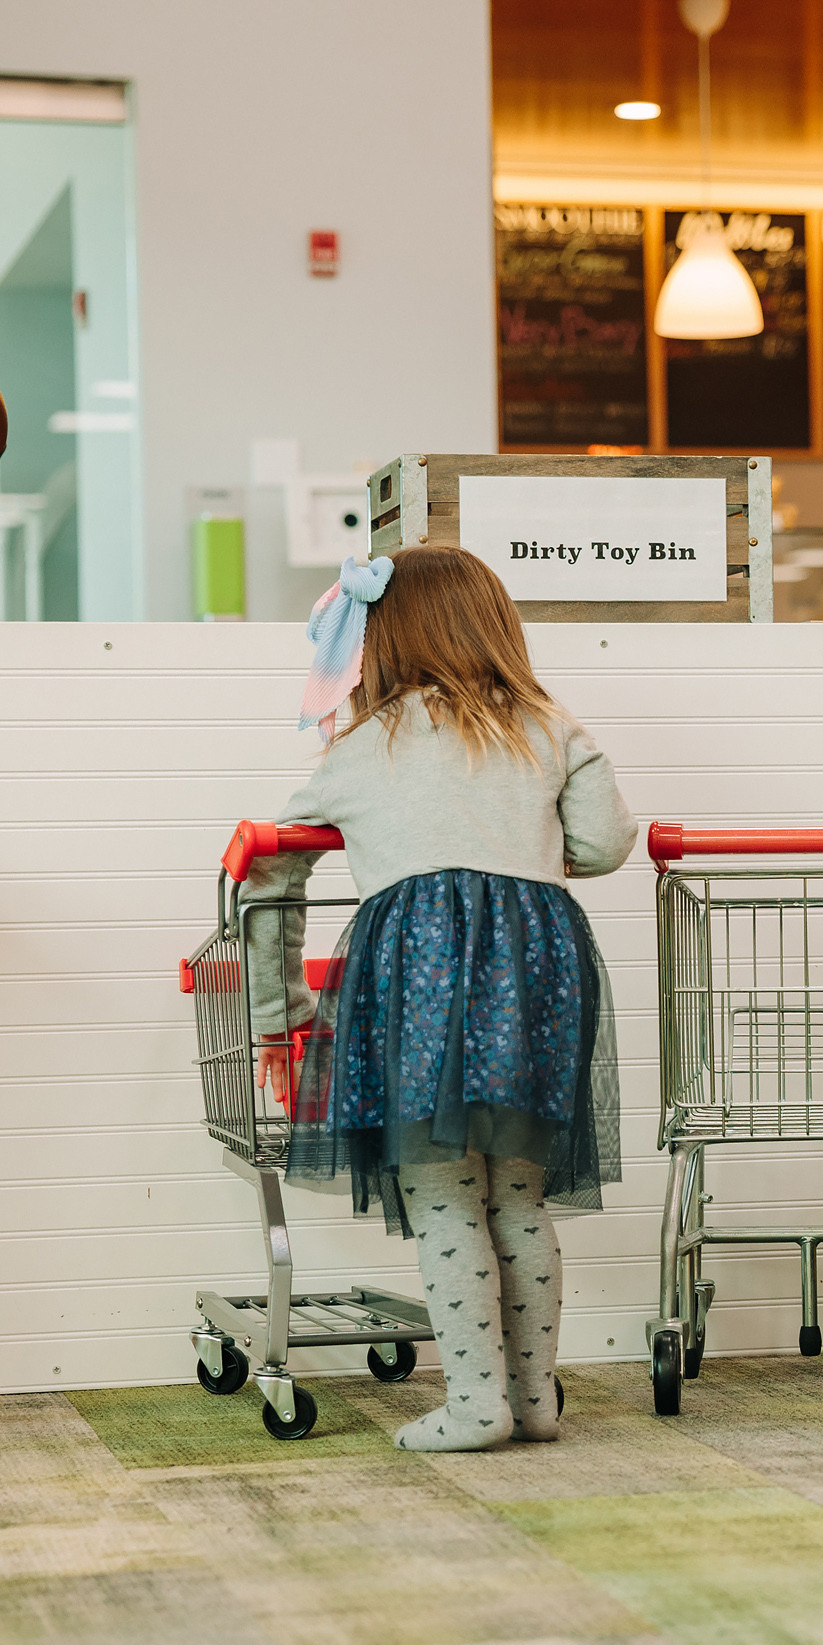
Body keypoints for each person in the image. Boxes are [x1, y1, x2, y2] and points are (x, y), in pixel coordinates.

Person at [245, 544, 637, 1450]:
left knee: (445, 1196)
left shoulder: (363, 744)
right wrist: (528, 853)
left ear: (381, 637)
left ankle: (474, 1404)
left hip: (417, 976)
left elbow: (269, 868)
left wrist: (281, 1014)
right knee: (519, 1199)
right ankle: (534, 1398)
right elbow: (608, 839)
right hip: (536, 974)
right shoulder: (547, 722)